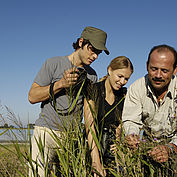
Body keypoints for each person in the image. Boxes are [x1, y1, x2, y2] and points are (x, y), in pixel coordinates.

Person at [28, 26, 109, 176]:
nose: (95, 56)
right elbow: (32, 96)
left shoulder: (91, 75)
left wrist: (96, 161)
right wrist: (60, 84)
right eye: (92, 49)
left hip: (72, 138)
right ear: (81, 42)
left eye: (98, 53)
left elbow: (89, 118)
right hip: (45, 134)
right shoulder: (53, 63)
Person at [122, 44, 177, 176]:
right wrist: (132, 136)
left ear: (175, 70)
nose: (158, 75)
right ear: (147, 65)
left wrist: (171, 148)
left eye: (164, 70)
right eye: (153, 69)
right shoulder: (137, 88)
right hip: (149, 149)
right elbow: (131, 120)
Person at [84, 56, 134, 176]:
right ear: (110, 70)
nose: (122, 82)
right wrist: (96, 160)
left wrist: (117, 145)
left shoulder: (123, 95)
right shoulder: (93, 89)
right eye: (120, 76)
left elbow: (119, 125)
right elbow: (89, 127)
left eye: (126, 79)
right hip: (92, 148)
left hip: (111, 153)